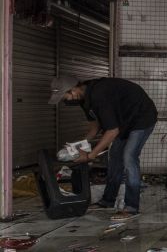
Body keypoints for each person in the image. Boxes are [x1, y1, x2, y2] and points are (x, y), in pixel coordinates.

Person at [48, 76, 157, 222]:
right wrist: (79, 145)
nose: (65, 100)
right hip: (124, 122)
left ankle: (131, 207)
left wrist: (90, 155)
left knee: (129, 157)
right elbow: (95, 127)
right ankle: (108, 201)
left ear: (73, 90)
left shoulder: (100, 94)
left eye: (65, 96)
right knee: (114, 158)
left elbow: (112, 131)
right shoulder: (84, 99)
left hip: (142, 118)